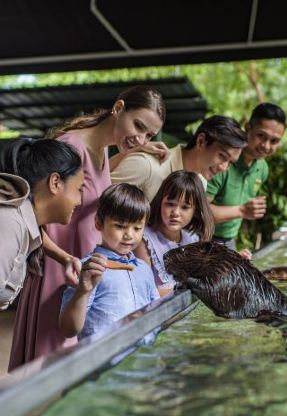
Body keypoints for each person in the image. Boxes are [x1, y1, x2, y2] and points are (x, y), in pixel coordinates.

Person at [9, 85, 166, 370]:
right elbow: (30, 213)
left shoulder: (103, 151)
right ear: (118, 108)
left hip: (85, 273)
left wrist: (138, 147)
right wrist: (64, 258)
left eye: (149, 134)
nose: (141, 137)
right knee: (49, 373)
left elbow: (96, 180)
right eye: (138, 126)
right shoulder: (70, 146)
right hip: (59, 274)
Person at [60, 183, 159, 339]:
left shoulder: (144, 269)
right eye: (120, 226)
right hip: (105, 359)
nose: (129, 235)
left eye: (137, 228)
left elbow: (156, 315)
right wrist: (82, 291)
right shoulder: (88, 269)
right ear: (99, 223)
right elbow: (68, 330)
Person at [0, 138, 83, 310]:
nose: (80, 201)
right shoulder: (11, 223)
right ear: (55, 183)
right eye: (78, 190)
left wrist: (66, 258)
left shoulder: (22, 221)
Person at [207, 103, 287, 254]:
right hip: (201, 238)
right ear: (248, 128)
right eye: (261, 136)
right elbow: (198, 213)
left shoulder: (262, 168)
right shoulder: (224, 161)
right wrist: (242, 211)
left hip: (229, 240)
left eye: (274, 141)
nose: (266, 146)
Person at [110, 115, 248, 201]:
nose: (224, 168)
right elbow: (96, 207)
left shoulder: (200, 183)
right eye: (222, 156)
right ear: (201, 141)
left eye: (230, 163)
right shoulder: (145, 165)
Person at [136, 170, 214, 296]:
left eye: (185, 207)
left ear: (195, 210)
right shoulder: (144, 240)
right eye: (170, 204)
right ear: (160, 202)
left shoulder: (192, 239)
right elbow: (144, 292)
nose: (175, 213)